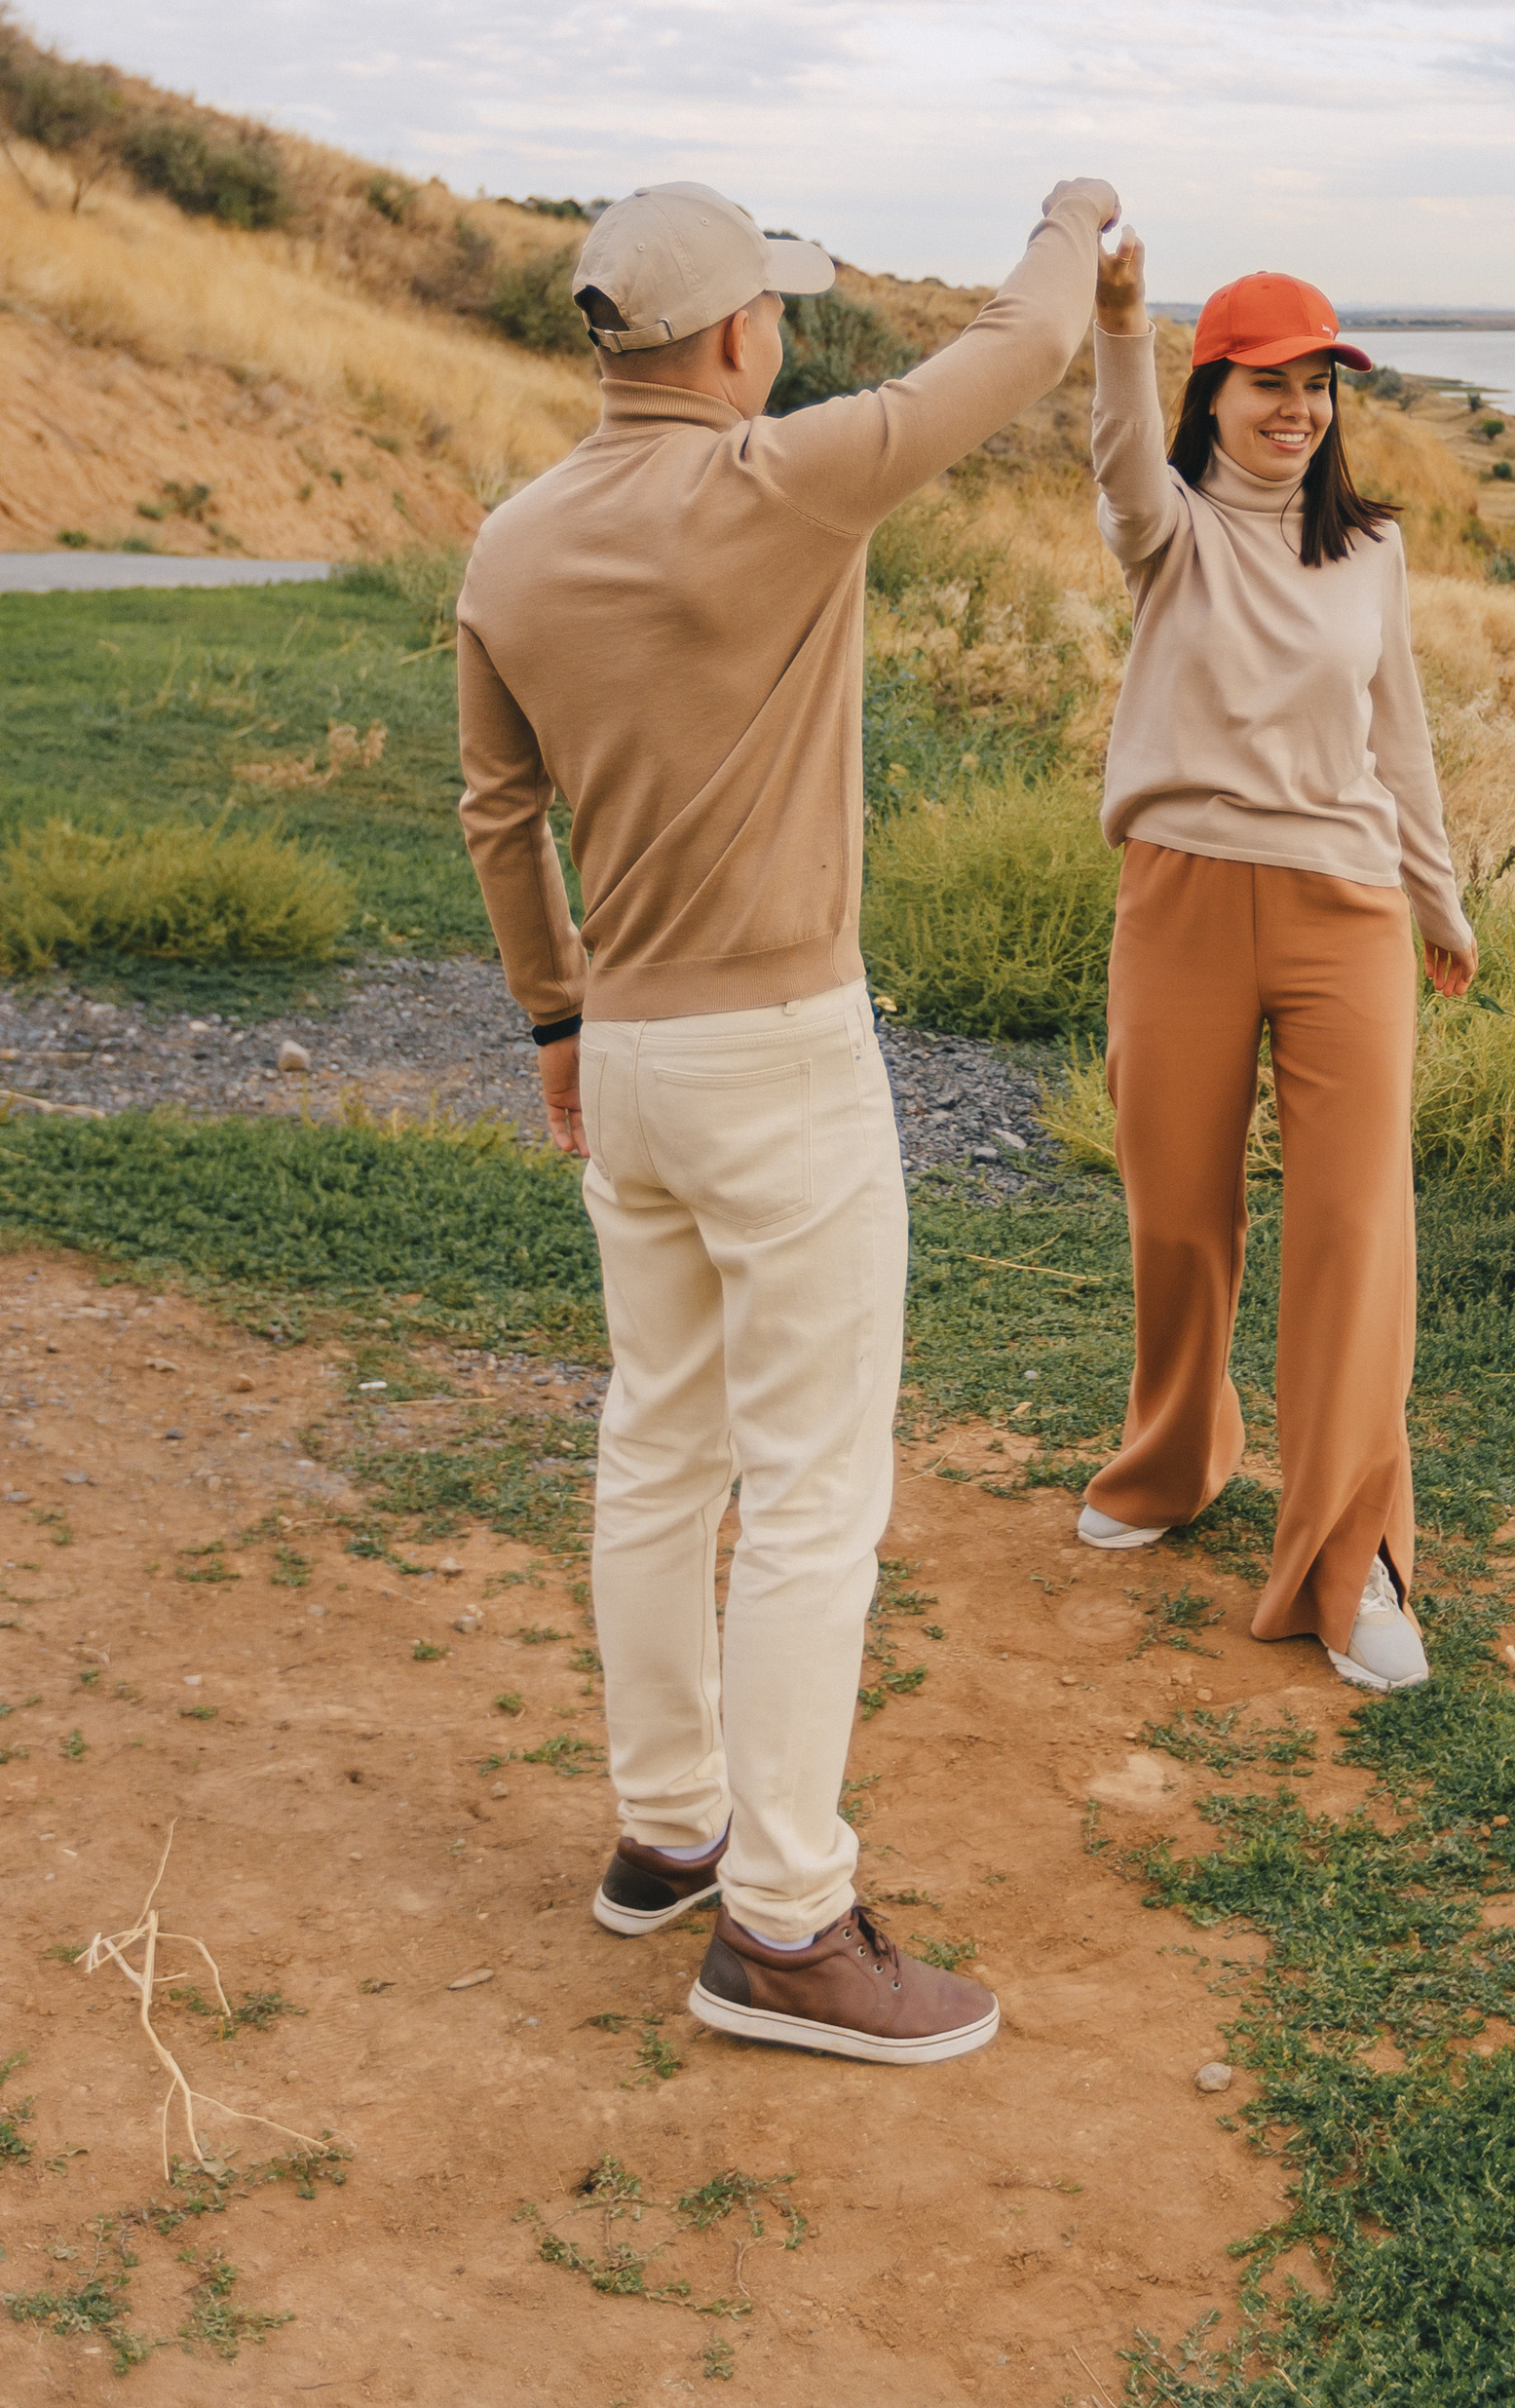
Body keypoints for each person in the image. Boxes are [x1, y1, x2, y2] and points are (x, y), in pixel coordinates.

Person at [456, 169, 1118, 2065]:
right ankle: (786, 1925)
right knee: (813, 1487)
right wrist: (1076, 215)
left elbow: (501, 823)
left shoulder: (509, 544)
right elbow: (1020, 341)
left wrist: (553, 1024)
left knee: (660, 1440)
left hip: (632, 1055)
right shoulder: (782, 479)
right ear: (738, 333)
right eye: (777, 320)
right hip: (777, 1054)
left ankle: (669, 1831)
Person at [1078, 244, 1476, 1691]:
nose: (1298, 409)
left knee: (1354, 1233)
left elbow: (1401, 738)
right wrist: (1121, 327)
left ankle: (1351, 1556)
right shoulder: (1168, 530)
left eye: (1316, 386)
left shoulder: (1371, 552)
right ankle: (1176, 1461)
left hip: (1346, 910)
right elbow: (1122, 461)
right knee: (1178, 1206)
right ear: (1215, 394)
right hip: (1181, 896)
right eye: (1270, 385)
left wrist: (1441, 901)